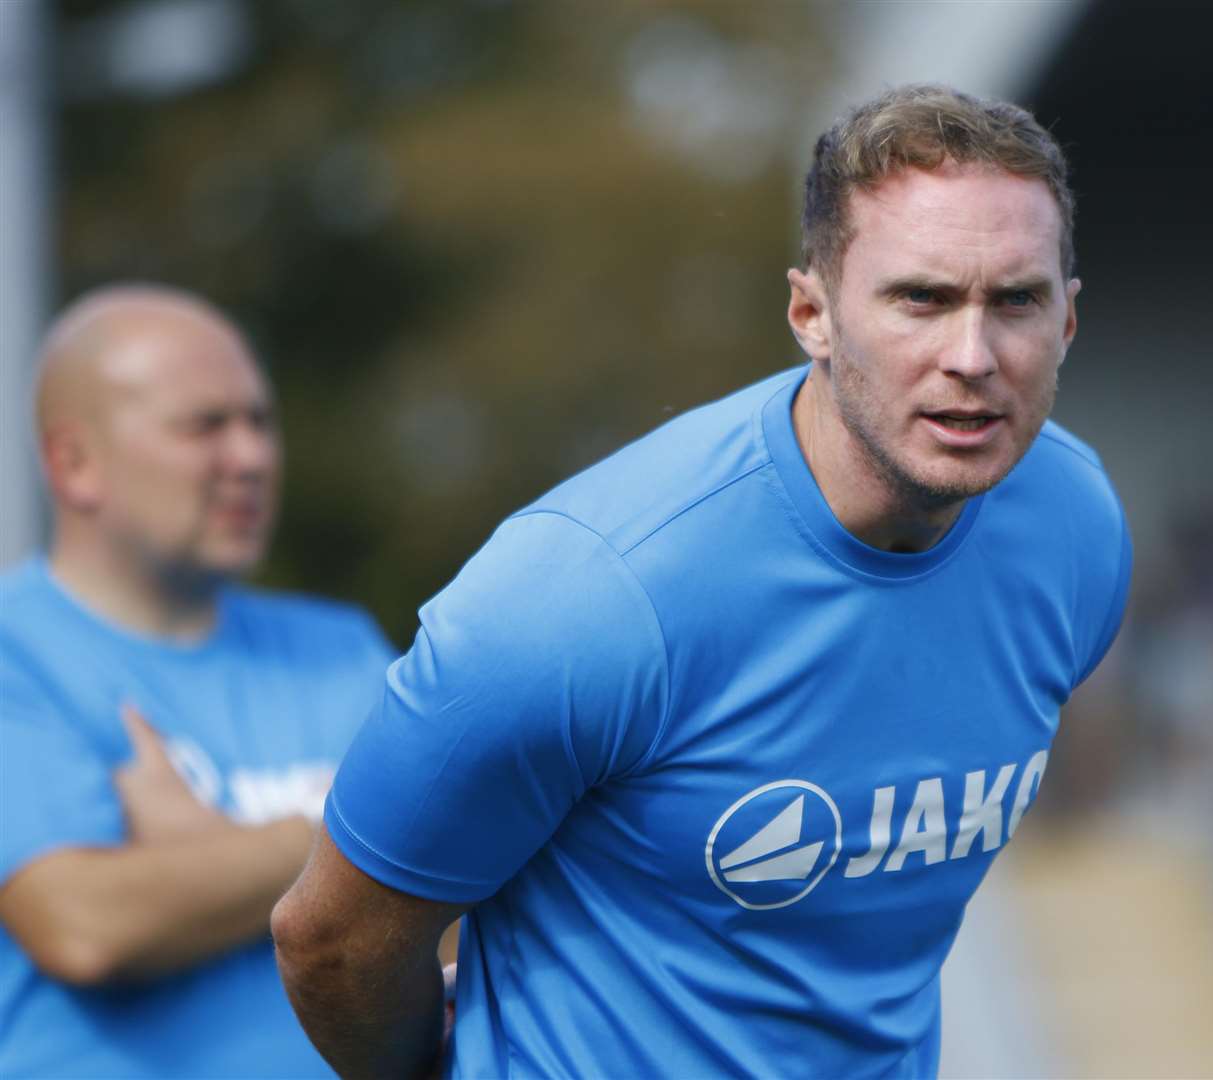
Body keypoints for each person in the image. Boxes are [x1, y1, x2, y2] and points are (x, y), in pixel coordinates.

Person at [273, 84, 1133, 1079]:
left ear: (1066, 322)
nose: (972, 357)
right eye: (920, 299)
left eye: (1015, 300)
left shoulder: (1073, 530)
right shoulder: (585, 597)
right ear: (811, 312)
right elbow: (331, 942)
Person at [0, 284, 394, 1077]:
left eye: (259, 421)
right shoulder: (17, 650)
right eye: (204, 426)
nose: (251, 456)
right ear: (75, 463)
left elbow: (470, 912)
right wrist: (323, 839)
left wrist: (210, 855)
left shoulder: (341, 647)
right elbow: (83, 923)